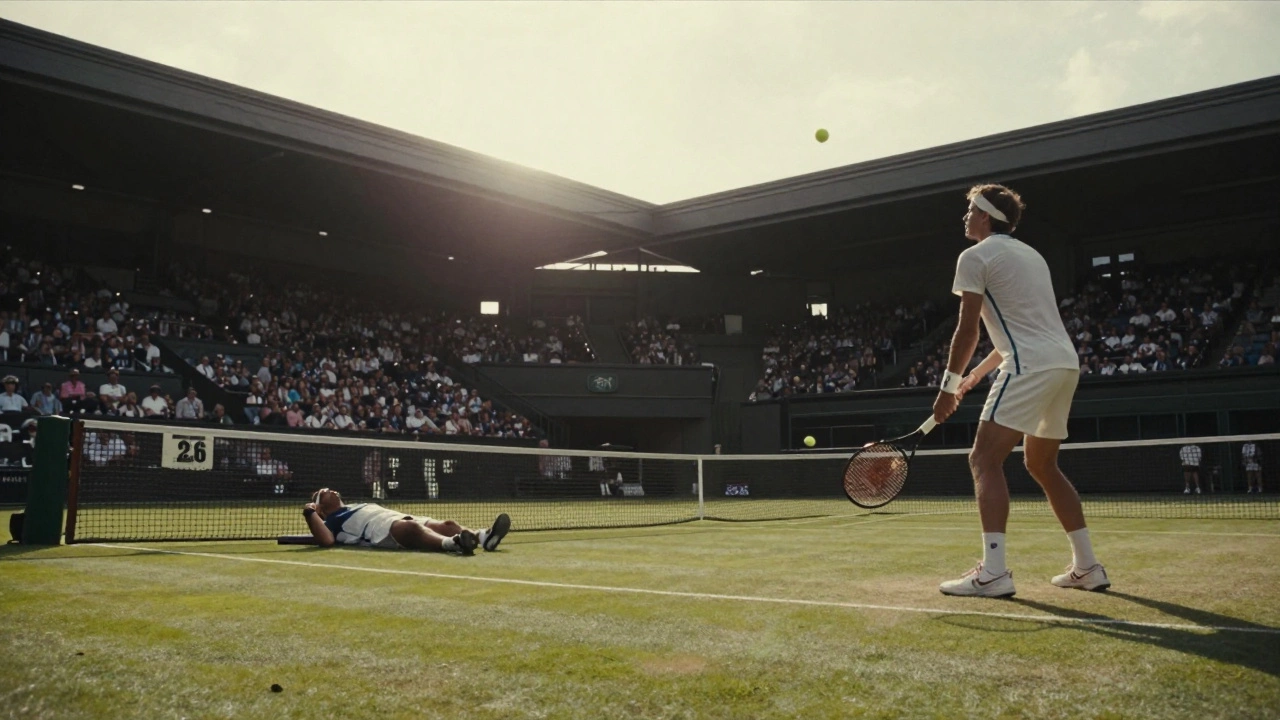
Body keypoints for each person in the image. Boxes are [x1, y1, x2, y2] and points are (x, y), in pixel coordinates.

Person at [932, 183, 1108, 598]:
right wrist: (975, 376)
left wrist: (948, 387)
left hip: (1030, 365)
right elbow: (1024, 328)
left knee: (983, 459)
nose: (966, 216)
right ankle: (1088, 567)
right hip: (1064, 364)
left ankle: (993, 572)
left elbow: (968, 330)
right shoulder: (1032, 256)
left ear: (985, 216)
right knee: (1042, 465)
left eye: (971, 210)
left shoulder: (974, 256)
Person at [302, 487, 510, 555]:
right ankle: (453, 544)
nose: (330, 490)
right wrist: (310, 513)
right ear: (320, 507)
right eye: (323, 492)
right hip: (379, 530)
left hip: (394, 517)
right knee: (411, 529)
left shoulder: (354, 505)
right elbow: (327, 540)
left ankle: (484, 537)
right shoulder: (332, 522)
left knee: (448, 524)